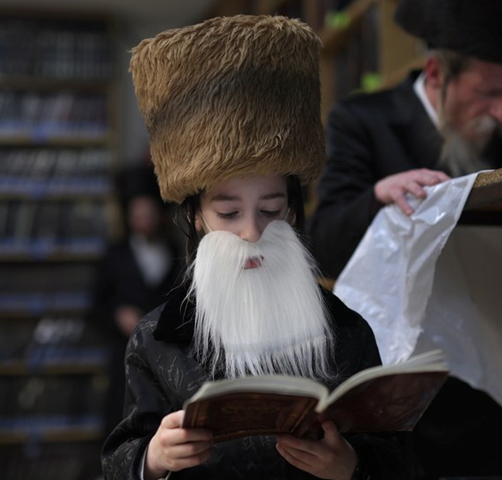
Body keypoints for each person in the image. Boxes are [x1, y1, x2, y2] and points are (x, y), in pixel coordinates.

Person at [101, 15, 405, 480]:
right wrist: (154, 459)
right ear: (196, 217)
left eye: (271, 209)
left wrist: (352, 466)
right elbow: (119, 460)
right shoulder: (157, 340)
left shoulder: (347, 330)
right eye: (228, 214)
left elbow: (398, 457)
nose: (252, 232)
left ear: (294, 211)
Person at [307, 1, 502, 479]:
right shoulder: (363, 119)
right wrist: (378, 195)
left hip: (494, 386)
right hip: (402, 398)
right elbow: (324, 242)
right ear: (437, 73)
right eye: (487, 93)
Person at [89, 161, 184, 438]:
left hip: (166, 359)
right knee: (121, 424)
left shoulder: (175, 253)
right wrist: (117, 315)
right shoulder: (114, 255)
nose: (143, 220)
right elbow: (95, 307)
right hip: (123, 357)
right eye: (137, 214)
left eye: (148, 213)